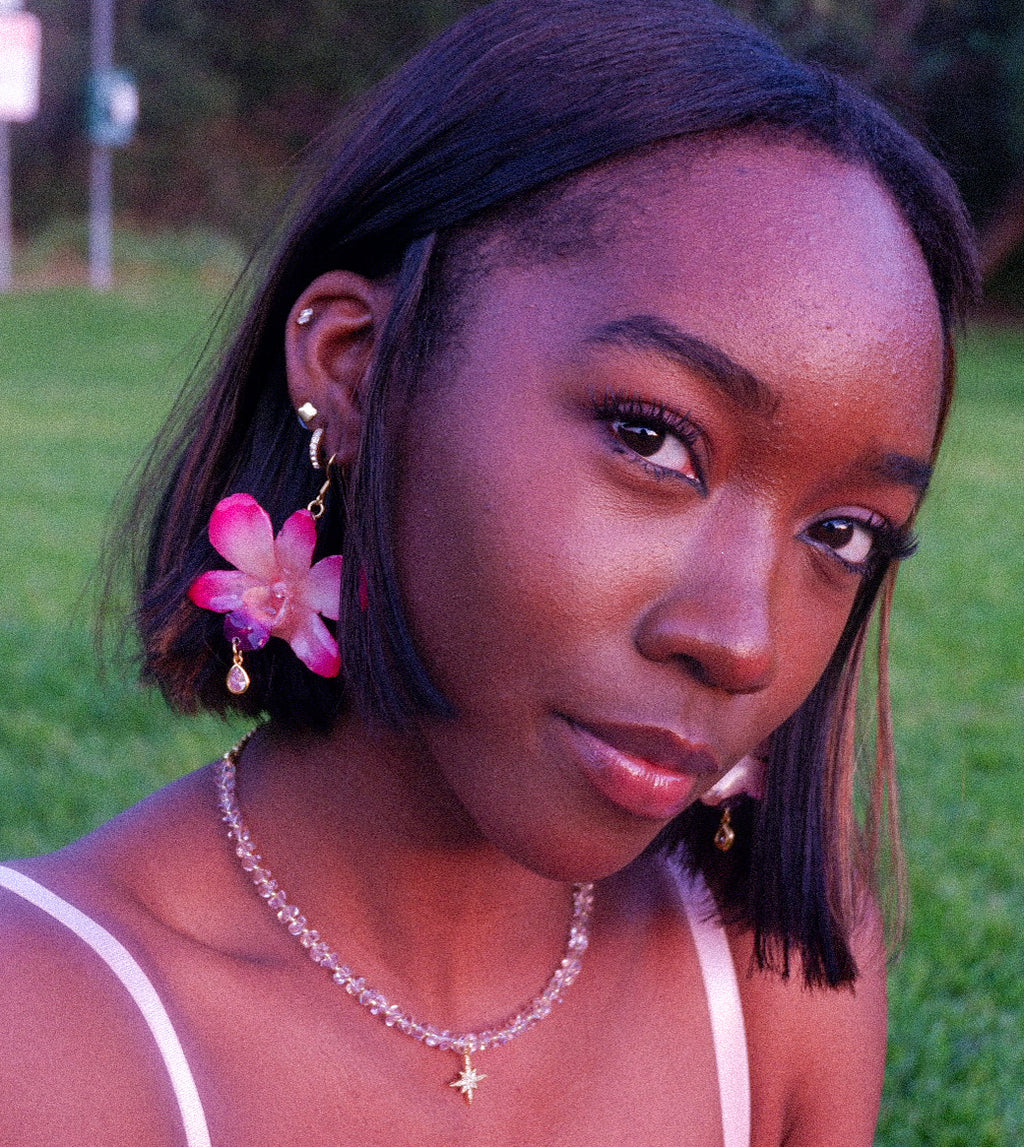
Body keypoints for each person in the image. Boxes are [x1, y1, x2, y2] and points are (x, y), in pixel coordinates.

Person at [0, 1, 977, 1143]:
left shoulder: (774, 986)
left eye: (843, 534)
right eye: (651, 437)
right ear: (357, 369)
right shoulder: (44, 1033)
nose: (740, 639)